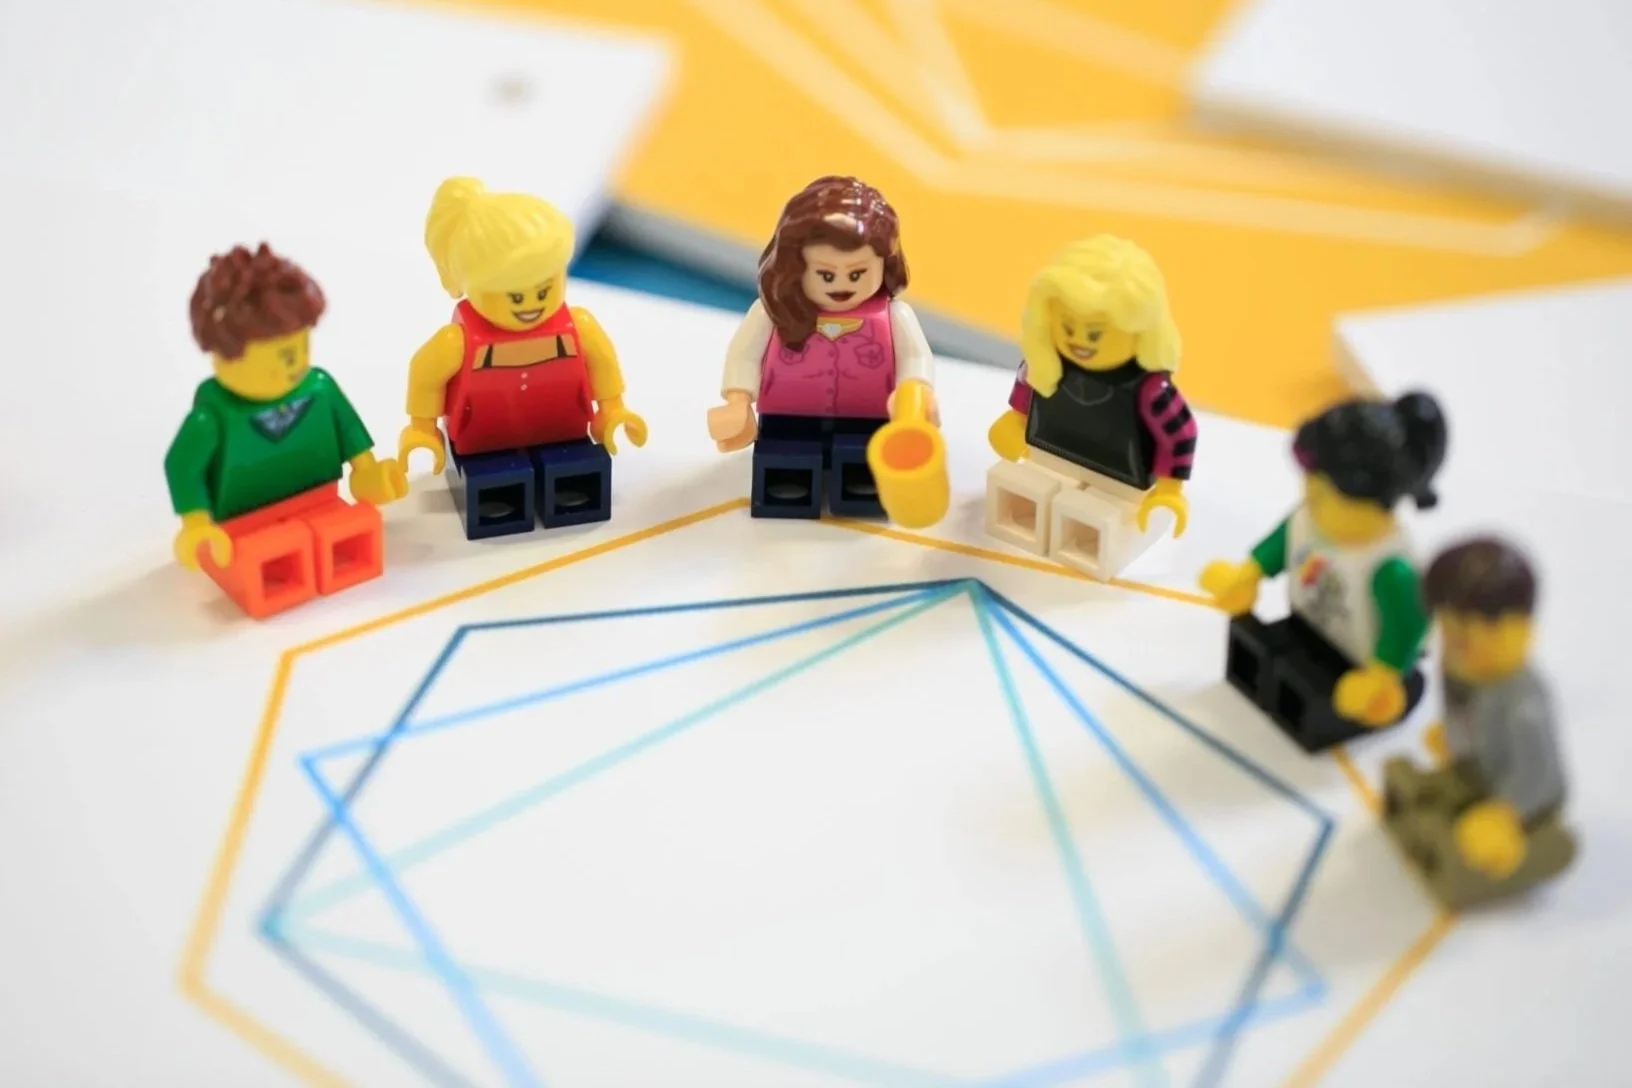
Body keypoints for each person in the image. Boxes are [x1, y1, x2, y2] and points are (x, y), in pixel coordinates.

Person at [165, 243, 407, 618]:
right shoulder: (212, 418)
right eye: (277, 355)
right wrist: (196, 524)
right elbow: (183, 467)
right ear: (225, 351)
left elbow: (348, 433)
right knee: (258, 555)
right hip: (240, 525)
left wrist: (368, 472)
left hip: (322, 499)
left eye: (299, 346)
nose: (293, 363)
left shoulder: (319, 388)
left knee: (347, 532)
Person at [399, 177, 646, 539]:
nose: (531, 304)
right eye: (514, 296)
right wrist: (422, 430)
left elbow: (602, 364)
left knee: (575, 479)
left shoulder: (578, 327)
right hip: (484, 445)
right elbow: (425, 375)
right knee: (496, 486)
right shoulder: (458, 342)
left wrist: (612, 410)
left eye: (545, 288)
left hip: (563, 434)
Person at [1199, 393, 1447, 752]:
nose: (1312, 499)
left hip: (1360, 663)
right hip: (1307, 626)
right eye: (1311, 485)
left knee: (1355, 699)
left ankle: (1388, 693)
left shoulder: (1389, 568)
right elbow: (1282, 543)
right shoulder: (1309, 520)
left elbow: (1405, 626)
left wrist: (1383, 675)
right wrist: (1248, 574)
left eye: (1327, 494)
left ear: (1377, 501)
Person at [707, 176, 936, 519]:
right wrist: (738, 400)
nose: (842, 285)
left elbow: (915, 356)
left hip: (868, 418)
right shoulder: (772, 313)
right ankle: (789, 484)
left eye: (857, 274)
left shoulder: (894, 316)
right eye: (826, 275)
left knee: (862, 465)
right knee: (787, 463)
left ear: (883, 264)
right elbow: (744, 354)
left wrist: (916, 392)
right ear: (794, 267)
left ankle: (861, 485)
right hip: (788, 418)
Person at [984, 236, 1194, 580]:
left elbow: (1179, 433)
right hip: (1048, 455)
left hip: (1122, 485)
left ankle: (1084, 545)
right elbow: (1028, 386)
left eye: (1095, 333)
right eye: (1067, 326)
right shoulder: (1046, 361)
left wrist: (1169, 491)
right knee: (1029, 491)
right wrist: (1015, 420)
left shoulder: (1148, 389)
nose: (1079, 341)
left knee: (1106, 520)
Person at [1382, 537, 1575, 908]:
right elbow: (1462, 710)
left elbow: (1538, 774)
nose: (1456, 643)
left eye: (1470, 630)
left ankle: (1520, 845)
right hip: (1474, 769)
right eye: (1448, 628)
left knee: (1478, 844)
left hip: (1524, 802)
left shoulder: (1523, 701)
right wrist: (1454, 737)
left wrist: (1505, 814)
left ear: (1516, 626)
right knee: (1420, 793)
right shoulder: (1456, 665)